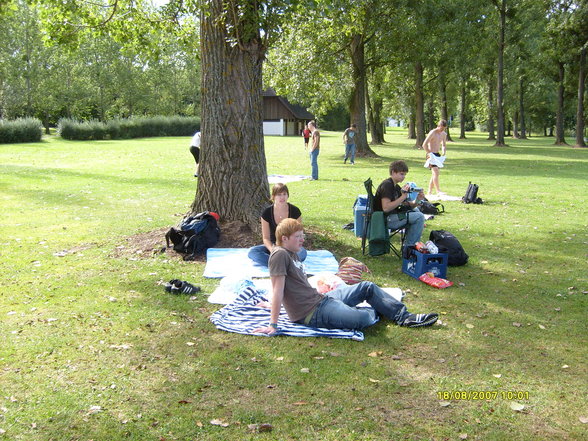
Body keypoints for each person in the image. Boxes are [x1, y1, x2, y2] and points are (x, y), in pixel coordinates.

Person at [253, 219, 438, 335]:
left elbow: (288, 289)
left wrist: (271, 303)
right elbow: (278, 289)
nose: (303, 240)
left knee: (367, 287)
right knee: (363, 320)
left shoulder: (291, 253)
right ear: (284, 238)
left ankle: (404, 317)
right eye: (298, 236)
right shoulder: (279, 255)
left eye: (303, 236)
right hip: (311, 312)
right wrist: (273, 324)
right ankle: (379, 309)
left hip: (321, 299)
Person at [248, 183, 307, 267]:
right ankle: (286, 263)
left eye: (284, 194)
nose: (282, 197)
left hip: (290, 245)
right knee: (253, 252)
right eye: (279, 195)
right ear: (273, 196)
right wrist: (274, 251)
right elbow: (266, 238)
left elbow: (298, 235)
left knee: (302, 253)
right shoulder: (267, 213)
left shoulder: (295, 211)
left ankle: (278, 263)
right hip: (274, 245)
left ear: (288, 195)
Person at [374, 160, 425, 249]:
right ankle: (409, 248)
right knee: (419, 217)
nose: (404, 177)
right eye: (401, 174)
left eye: (405, 175)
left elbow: (407, 205)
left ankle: (409, 244)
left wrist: (418, 200)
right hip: (385, 219)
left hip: (393, 215)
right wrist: (403, 196)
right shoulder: (387, 185)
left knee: (416, 210)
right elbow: (386, 208)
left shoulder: (396, 186)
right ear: (393, 172)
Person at [423, 120, 448, 195]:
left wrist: (443, 152)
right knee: (436, 172)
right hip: (431, 154)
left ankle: (429, 191)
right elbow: (424, 145)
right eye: (441, 128)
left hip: (437, 155)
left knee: (435, 174)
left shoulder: (444, 134)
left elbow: (443, 144)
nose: (442, 130)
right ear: (438, 126)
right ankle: (438, 191)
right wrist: (429, 153)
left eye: (444, 129)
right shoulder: (432, 133)